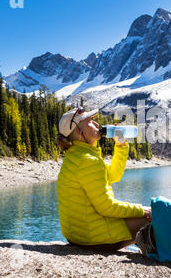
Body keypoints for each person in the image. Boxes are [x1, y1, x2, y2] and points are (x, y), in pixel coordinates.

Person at [55, 107, 151, 251]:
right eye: (90, 122)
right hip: (92, 238)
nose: (97, 124)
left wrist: (121, 145)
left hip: (78, 235)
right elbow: (107, 207)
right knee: (155, 218)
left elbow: (113, 175)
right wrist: (142, 210)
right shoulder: (87, 161)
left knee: (144, 215)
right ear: (79, 133)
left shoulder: (78, 156)